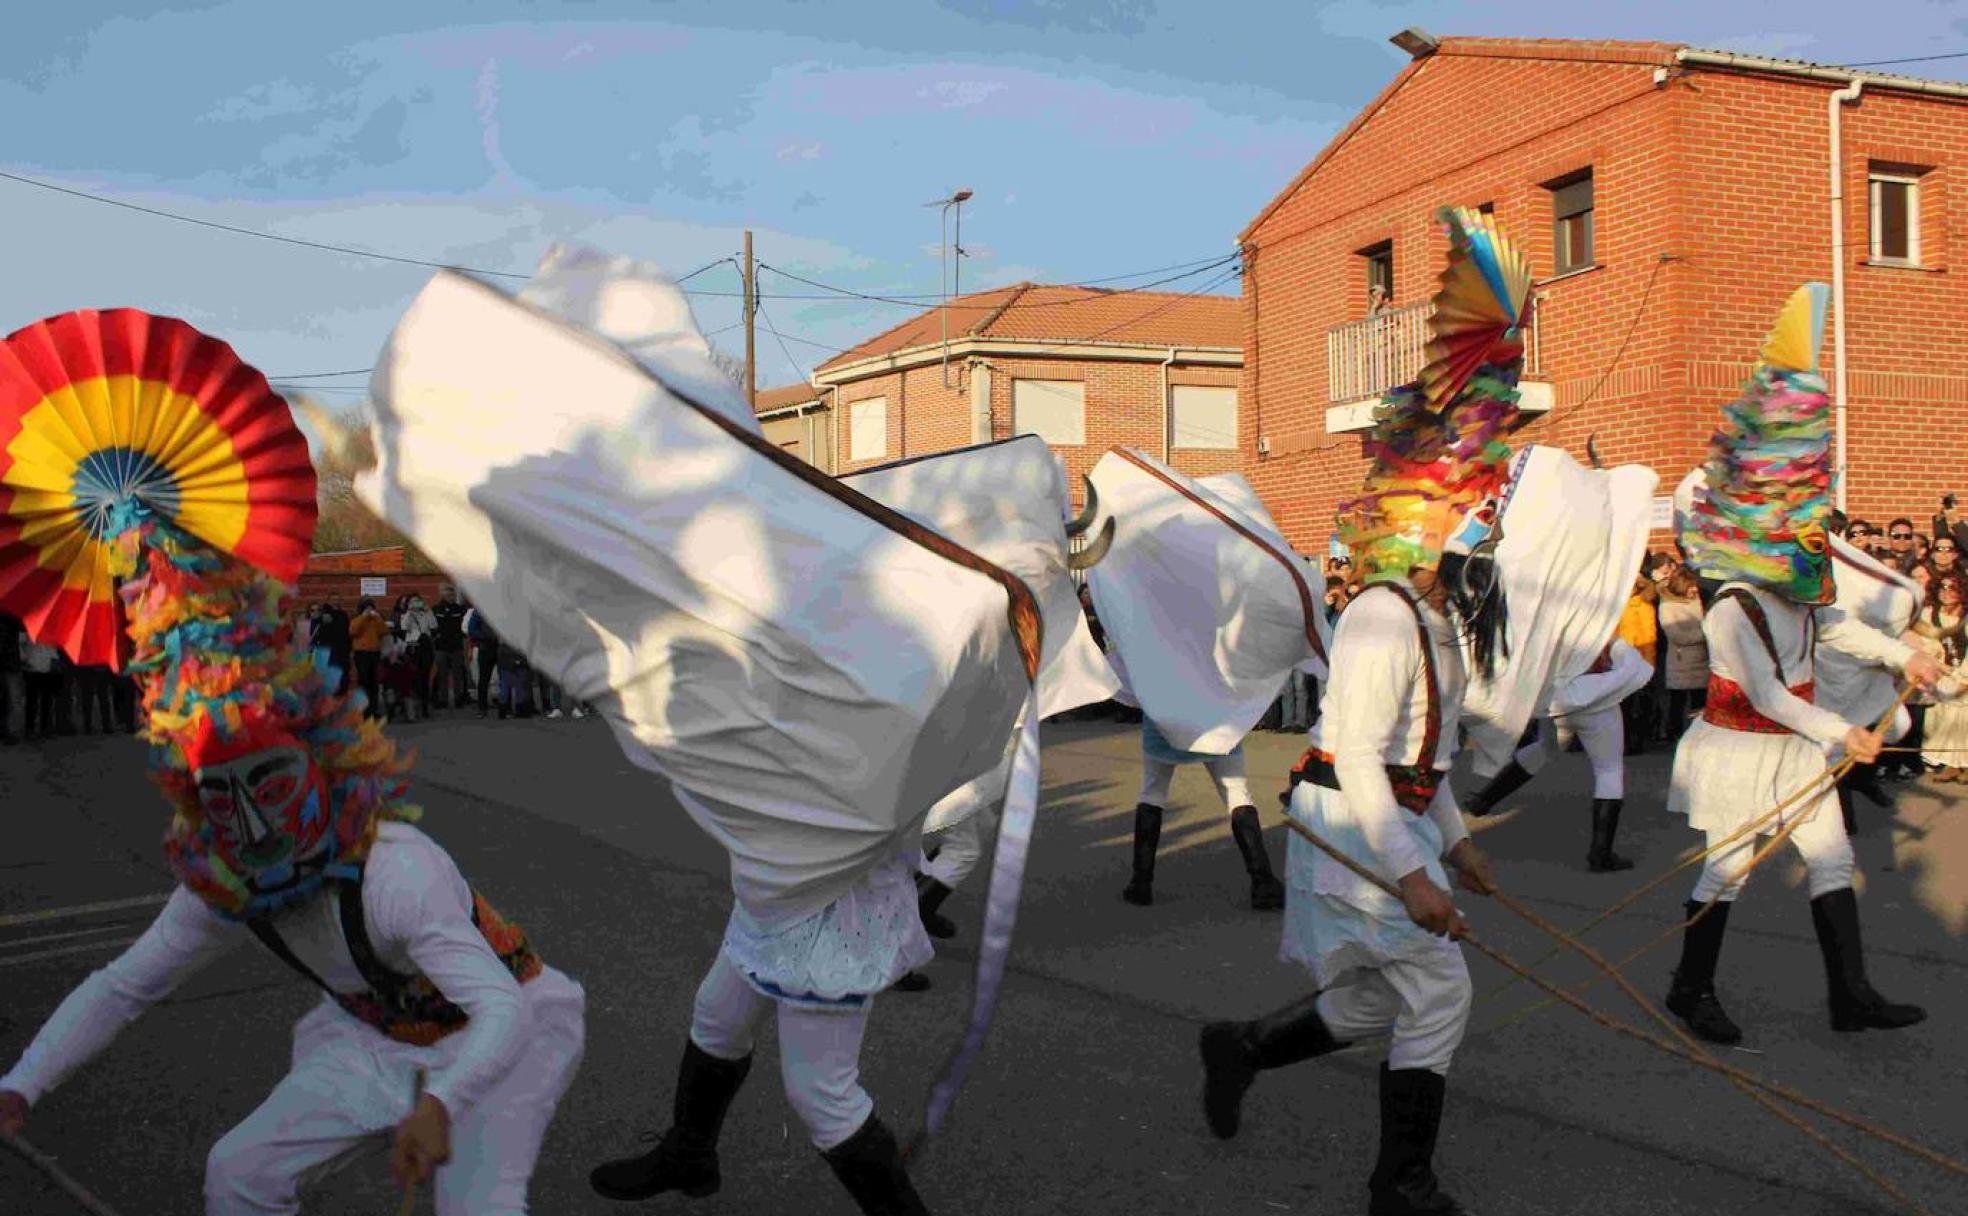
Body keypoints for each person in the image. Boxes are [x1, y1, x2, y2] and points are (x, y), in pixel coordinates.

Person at [0, 385, 584, 1216]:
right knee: (239, 1173)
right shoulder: (228, 882)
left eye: (271, 783)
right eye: (222, 795)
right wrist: (20, 1084)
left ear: (320, 766)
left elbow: (497, 1009)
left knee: (478, 1208)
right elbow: (124, 986)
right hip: (369, 1038)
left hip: (502, 1036)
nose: (253, 819)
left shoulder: (393, 872)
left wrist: (442, 1105)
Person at [1200, 208, 1579, 1216]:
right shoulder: (1378, 612)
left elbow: (1424, 762)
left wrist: (1455, 843)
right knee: (1438, 991)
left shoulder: (1435, 615)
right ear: (1427, 512)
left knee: (1373, 999)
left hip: (1385, 825)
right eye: (1474, 501)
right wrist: (1414, 872)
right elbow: (1360, 758)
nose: (1486, 515)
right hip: (1352, 829)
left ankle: (1241, 1047)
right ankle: (1398, 1182)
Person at [1666, 283, 1941, 1047]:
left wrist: (1909, 655)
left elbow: (1843, 631)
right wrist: (1843, 729)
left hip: (1795, 754)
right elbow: (1766, 694)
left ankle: (1850, 995)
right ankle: (1689, 990)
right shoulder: (1733, 608)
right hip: (1742, 754)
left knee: (1830, 858)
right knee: (1727, 871)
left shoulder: (1798, 596)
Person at [1465, 639, 1654, 871]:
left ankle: (1484, 799)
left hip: (1557, 699)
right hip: (1597, 701)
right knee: (1609, 769)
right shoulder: (1595, 622)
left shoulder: (1557, 619)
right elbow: (1624, 656)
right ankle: (1600, 853)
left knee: (1545, 748)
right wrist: (1616, 645)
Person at [1915, 574, 1968, 781]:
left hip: (1962, 671)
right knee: (1944, 717)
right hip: (1940, 673)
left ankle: (1961, 764)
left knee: (1962, 716)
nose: (1947, 592)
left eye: (1953, 587)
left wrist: (1964, 676)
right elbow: (1924, 642)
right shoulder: (1929, 615)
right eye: (1943, 587)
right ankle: (1950, 763)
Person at [1656, 567, 1710, 736]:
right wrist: (1705, 633)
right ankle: (1674, 734)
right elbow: (1676, 635)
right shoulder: (1667, 606)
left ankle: (1699, 734)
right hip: (1681, 661)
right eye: (1691, 586)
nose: (1695, 589)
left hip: (1702, 660)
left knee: (1700, 702)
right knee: (1678, 702)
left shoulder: (1697, 601)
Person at [431, 587, 470, 710]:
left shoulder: (460, 609)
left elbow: (465, 626)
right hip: (441, 647)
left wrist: (462, 637)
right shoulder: (436, 609)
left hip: (456, 646)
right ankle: (443, 700)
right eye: (447, 595)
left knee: (457, 675)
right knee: (442, 675)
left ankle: (459, 699)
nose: (449, 597)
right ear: (443, 595)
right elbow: (432, 626)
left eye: (451, 595)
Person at [350, 597, 389, 719]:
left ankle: (373, 709)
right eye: (367, 607)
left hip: (374, 652)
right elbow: (353, 631)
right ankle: (364, 710)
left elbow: (384, 631)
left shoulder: (375, 619)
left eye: (371, 607)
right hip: (361, 653)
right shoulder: (357, 619)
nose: (369, 610)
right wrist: (364, 616)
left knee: (374, 683)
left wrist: (377, 617)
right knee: (363, 681)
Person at [0, 610, 24, 743]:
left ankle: (5, 729)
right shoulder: (11, 617)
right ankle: (6, 730)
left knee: (6, 698)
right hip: (9, 663)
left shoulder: (10, 618)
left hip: (7, 663)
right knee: (9, 699)